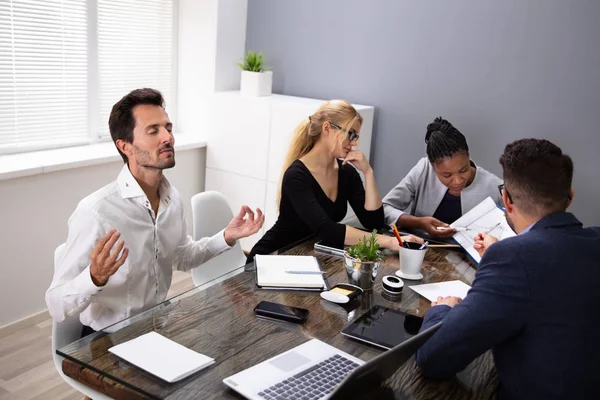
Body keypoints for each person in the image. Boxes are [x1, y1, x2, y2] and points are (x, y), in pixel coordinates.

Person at [46, 88, 264, 334]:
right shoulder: (96, 212)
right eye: (153, 130)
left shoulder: (172, 199)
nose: (167, 137)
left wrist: (226, 236)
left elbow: (182, 257)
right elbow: (56, 305)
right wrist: (94, 277)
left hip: (159, 326)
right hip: (107, 340)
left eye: (168, 128)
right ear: (125, 146)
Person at [415, 139, 600, 399]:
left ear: (506, 201)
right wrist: (501, 255)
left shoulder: (513, 259)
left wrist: (441, 310)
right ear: (569, 196)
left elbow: (433, 358)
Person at [247, 100, 420, 263]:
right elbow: (327, 229)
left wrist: (368, 172)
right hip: (274, 256)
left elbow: (373, 222)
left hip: (309, 256)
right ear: (327, 128)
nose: (353, 143)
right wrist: (388, 242)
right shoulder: (296, 175)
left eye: (356, 137)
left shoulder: (346, 172)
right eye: (350, 134)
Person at [383, 117, 502, 238]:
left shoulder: (495, 187)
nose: (457, 181)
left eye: (463, 170)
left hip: (468, 255)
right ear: (432, 166)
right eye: (447, 175)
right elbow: (385, 208)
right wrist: (419, 223)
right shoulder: (424, 169)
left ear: (468, 156)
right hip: (420, 247)